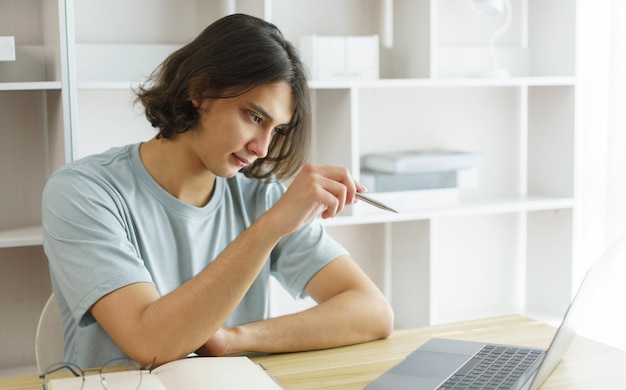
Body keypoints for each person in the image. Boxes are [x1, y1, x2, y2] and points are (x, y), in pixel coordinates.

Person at [42, 13, 393, 369]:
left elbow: (373, 312)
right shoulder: (82, 191)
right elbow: (149, 343)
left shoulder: (260, 195)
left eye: (276, 130)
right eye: (255, 118)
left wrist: (232, 340)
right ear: (201, 92)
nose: (263, 149)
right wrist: (271, 226)